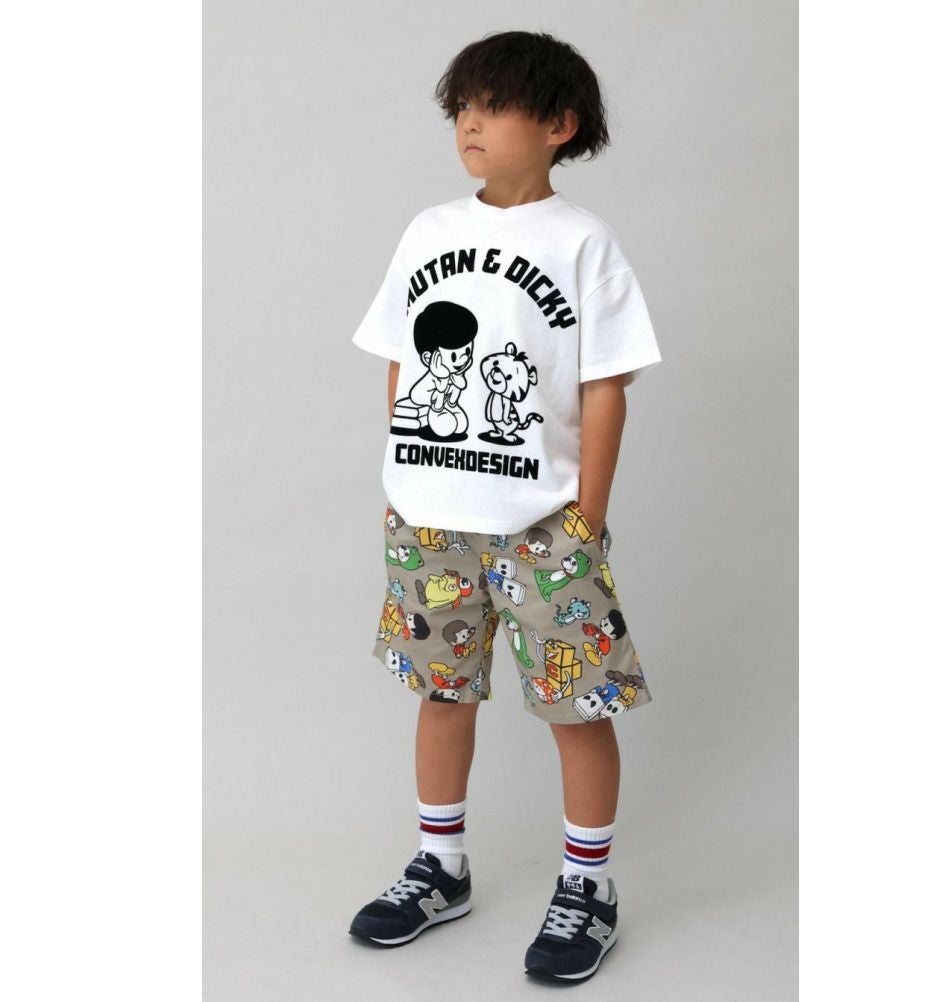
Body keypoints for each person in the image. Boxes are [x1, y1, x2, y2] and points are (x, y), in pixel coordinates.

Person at [346, 29, 663, 984]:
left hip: (542, 525)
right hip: (432, 520)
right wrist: (411, 473)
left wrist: (585, 518)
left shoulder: (583, 243)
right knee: (442, 691)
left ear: (559, 125)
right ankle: (439, 866)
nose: (470, 125)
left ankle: (588, 886)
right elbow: (401, 354)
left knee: (578, 703)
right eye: (462, 110)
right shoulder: (429, 230)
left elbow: (606, 387)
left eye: (493, 108)